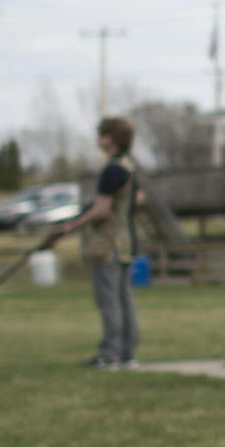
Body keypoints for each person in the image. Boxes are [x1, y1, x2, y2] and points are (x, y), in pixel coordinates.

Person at [52, 116, 142, 372]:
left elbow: (102, 210)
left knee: (109, 300)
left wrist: (72, 225)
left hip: (108, 244)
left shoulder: (112, 169)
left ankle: (110, 355)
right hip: (127, 241)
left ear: (110, 139)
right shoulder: (130, 168)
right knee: (124, 299)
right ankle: (127, 354)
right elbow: (138, 201)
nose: (98, 139)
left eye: (102, 134)